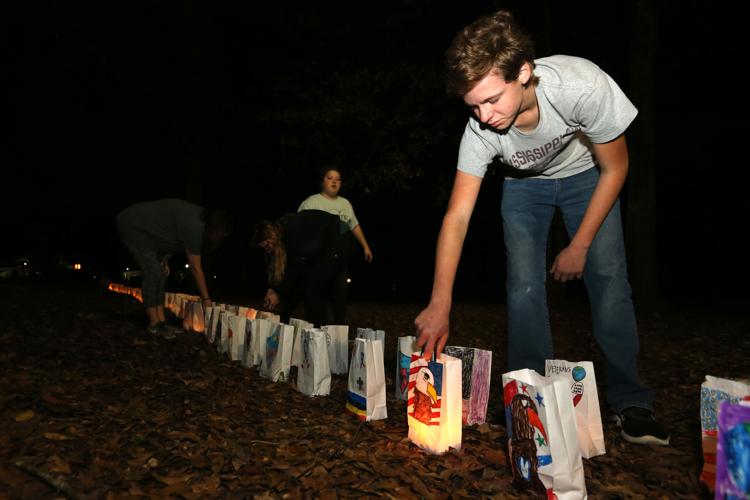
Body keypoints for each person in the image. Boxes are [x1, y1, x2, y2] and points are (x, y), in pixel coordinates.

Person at [414, 10, 669, 445]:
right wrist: (440, 302)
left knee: (608, 280)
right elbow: (457, 217)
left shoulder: (580, 85)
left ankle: (631, 400)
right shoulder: (480, 130)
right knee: (523, 287)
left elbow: (616, 168)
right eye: (473, 105)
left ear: (524, 72)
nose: (483, 114)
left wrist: (580, 245)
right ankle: (526, 398)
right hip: (524, 187)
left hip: (589, 176)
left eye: (492, 99)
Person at [116, 199, 232, 338]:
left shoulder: (199, 224)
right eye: (222, 235)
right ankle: (154, 324)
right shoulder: (195, 227)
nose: (221, 239)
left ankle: (161, 321)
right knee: (152, 272)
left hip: (152, 234)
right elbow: (196, 268)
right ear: (216, 229)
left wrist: (164, 260)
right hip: (134, 225)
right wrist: (206, 299)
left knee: (161, 272)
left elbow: (171, 237)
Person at [298, 167, 373, 323]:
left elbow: (354, 226)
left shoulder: (345, 204)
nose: (334, 181)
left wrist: (365, 246)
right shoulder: (311, 202)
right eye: (330, 177)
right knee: (317, 297)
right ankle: (316, 330)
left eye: (337, 179)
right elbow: (299, 228)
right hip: (318, 259)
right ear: (322, 181)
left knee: (339, 296)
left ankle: (338, 332)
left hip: (339, 259)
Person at [251, 209, 346, 326]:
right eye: (263, 247)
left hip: (339, 236)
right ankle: (288, 320)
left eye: (267, 245)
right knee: (306, 282)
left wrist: (278, 294)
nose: (267, 249)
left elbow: (293, 271)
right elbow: (287, 272)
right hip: (320, 248)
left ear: (271, 234)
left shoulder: (291, 232)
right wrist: (272, 289)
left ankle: (320, 330)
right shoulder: (282, 236)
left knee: (312, 287)